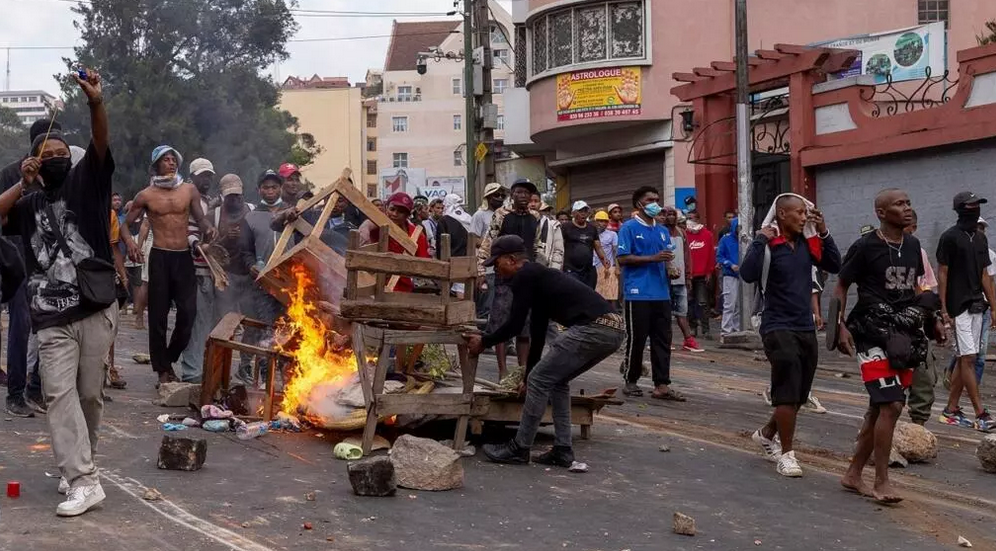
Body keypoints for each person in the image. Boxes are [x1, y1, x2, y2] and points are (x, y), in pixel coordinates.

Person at [0, 69, 125, 516]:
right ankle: (82, 479)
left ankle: (82, 463)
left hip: (94, 307)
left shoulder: (87, 183)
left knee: (89, 395)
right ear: (32, 162)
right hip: (50, 317)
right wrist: (22, 183)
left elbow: (100, 141)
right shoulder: (28, 202)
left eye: (60, 153)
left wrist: (96, 102)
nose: (54, 158)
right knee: (58, 393)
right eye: (45, 155)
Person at [468, 235, 625, 466]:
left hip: (593, 328)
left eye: (497, 263)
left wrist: (484, 341)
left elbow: (514, 325)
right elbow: (538, 333)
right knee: (555, 381)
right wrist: (526, 377)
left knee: (540, 380)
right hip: (614, 329)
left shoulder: (524, 276)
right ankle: (563, 450)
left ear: (511, 260)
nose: (497, 270)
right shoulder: (539, 277)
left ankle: (520, 447)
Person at [836, 189, 945, 503]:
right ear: (881, 213)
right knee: (892, 405)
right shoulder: (865, 246)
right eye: (899, 204)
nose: (907, 208)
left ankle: (853, 474)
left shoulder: (912, 246)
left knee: (878, 409)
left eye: (908, 202)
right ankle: (881, 481)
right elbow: (841, 285)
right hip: (869, 333)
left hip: (903, 336)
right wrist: (839, 326)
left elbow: (917, 289)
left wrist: (934, 320)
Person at [741, 194, 841, 478]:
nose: (803, 217)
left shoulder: (807, 244)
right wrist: (759, 239)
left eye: (805, 213)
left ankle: (766, 434)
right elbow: (747, 274)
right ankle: (787, 455)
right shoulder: (769, 245)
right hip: (776, 325)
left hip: (804, 326)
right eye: (799, 213)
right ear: (782, 214)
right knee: (786, 389)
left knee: (798, 394)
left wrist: (823, 230)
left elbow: (835, 264)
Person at [124, 146, 216, 386]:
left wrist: (208, 228)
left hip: (183, 257)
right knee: (158, 317)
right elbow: (125, 224)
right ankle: (163, 371)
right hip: (160, 257)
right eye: (166, 159)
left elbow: (200, 218)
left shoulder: (188, 190)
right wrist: (131, 244)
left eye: (174, 159)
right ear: (156, 165)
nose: (171, 163)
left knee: (188, 314)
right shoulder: (145, 195)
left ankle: (168, 358)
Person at [0, 119, 56, 416]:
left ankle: (36, 388)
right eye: (49, 146)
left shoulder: (59, 175)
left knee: (50, 324)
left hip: (52, 260)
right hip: (19, 259)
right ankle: (15, 393)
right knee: (21, 325)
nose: (55, 153)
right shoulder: (12, 173)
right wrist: (23, 185)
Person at [936, 192, 996, 431]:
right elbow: (942, 273)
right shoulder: (949, 237)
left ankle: (950, 410)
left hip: (977, 306)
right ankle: (981, 414)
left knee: (966, 358)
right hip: (957, 307)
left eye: (977, 205)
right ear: (960, 209)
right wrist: (943, 308)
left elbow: (985, 275)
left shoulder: (981, 240)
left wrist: (994, 307)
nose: (975, 208)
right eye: (971, 205)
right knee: (968, 358)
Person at [618, 186, 683, 401]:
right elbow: (623, 258)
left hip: (661, 293)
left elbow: (667, 257)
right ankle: (631, 380)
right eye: (650, 200)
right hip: (637, 293)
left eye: (657, 199)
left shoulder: (662, 230)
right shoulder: (628, 228)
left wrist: (671, 269)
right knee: (636, 339)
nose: (655, 203)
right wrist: (652, 259)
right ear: (639, 204)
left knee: (662, 340)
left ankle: (662, 385)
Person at [478, 178, 544, 380]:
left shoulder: (535, 217)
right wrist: (481, 271)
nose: (523, 196)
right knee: (501, 322)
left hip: (527, 276)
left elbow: (536, 245)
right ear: (512, 195)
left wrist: (540, 269)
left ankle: (522, 371)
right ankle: (503, 371)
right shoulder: (501, 215)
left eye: (527, 193)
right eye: (519, 192)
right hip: (504, 275)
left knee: (525, 326)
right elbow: (488, 242)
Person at [238, 170, 288, 384]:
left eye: (274, 187)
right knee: (268, 329)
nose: (270, 191)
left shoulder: (292, 212)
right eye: (266, 187)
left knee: (288, 329)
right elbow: (245, 251)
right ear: (259, 190)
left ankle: (287, 377)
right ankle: (266, 377)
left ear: (280, 188)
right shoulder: (251, 217)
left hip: (291, 283)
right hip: (263, 285)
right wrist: (251, 266)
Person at [942, 216, 995, 388]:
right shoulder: (957, 250)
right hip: (963, 306)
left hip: (982, 307)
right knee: (965, 352)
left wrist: (993, 307)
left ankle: (972, 386)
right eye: (977, 227)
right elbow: (945, 276)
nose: (979, 231)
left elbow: (989, 280)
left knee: (979, 351)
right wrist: (945, 309)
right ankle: (958, 383)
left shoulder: (989, 254)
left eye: (982, 228)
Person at [178, 157, 216, 383]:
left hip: (207, 269)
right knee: (195, 321)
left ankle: (198, 368)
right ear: (192, 177)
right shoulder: (187, 199)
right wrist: (197, 245)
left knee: (204, 322)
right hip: (193, 268)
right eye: (202, 175)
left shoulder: (209, 202)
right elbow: (183, 229)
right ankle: (191, 371)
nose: (207, 179)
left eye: (209, 175)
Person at [905, 210, 939, 426]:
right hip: (888, 325)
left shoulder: (919, 252)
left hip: (916, 324)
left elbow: (925, 289)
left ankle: (918, 428)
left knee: (924, 380)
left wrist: (934, 319)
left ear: (913, 228)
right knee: (886, 392)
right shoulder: (876, 249)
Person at [663, 206, 704, 353]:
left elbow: (687, 256)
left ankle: (688, 340)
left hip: (680, 279)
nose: (671, 217)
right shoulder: (659, 232)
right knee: (665, 313)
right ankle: (665, 340)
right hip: (663, 280)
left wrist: (688, 276)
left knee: (682, 312)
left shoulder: (681, 233)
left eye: (673, 214)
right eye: (668, 214)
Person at [471, 183, 506, 320]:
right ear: (488, 197)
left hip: (502, 266)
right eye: (497, 195)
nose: (500, 198)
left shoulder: (503, 215)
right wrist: (493, 246)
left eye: (502, 195)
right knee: (486, 304)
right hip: (486, 266)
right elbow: (473, 239)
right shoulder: (480, 215)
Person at [561, 201, 608, 289]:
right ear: (573, 213)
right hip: (571, 270)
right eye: (580, 211)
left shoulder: (592, 228)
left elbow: (598, 247)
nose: (583, 213)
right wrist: (560, 266)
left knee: (588, 294)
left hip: (588, 271)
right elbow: (561, 248)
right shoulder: (566, 227)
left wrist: (605, 262)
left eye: (585, 211)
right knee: (573, 293)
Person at [435, 194, 472, 298]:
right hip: (467, 259)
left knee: (451, 293)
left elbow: (440, 245)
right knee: (464, 289)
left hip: (450, 261)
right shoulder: (468, 218)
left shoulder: (444, 220)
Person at [686, 214, 715, 339]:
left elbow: (711, 254)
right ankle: (692, 327)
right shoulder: (684, 234)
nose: (690, 220)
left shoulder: (707, 235)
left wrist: (709, 271)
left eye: (693, 218)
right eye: (688, 218)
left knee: (703, 302)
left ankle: (705, 329)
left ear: (698, 219)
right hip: (688, 275)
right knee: (689, 302)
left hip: (702, 274)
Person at [717, 217, 741, 335]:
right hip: (730, 275)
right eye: (738, 228)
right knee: (729, 304)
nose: (739, 230)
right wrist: (730, 264)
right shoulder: (725, 239)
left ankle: (736, 329)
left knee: (739, 305)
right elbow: (719, 257)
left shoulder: (745, 240)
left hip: (743, 276)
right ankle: (726, 330)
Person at [529, 192, 563, 271]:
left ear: (540, 204)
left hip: (546, 268)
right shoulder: (518, 222)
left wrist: (554, 270)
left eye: (536, 201)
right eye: (530, 201)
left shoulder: (553, 226)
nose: (533, 204)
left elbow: (558, 251)